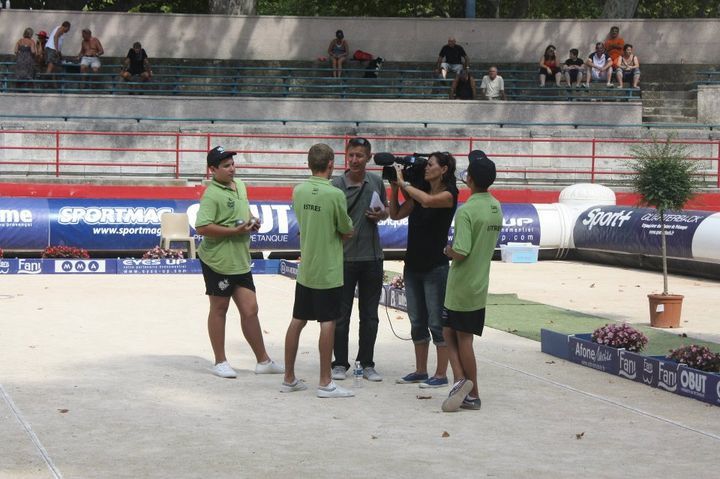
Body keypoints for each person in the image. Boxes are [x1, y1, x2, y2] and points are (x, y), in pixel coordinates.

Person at [195, 146, 284, 379]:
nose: (232, 169)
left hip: (240, 260)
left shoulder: (241, 185)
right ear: (213, 170)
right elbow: (202, 227)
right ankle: (220, 361)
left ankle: (263, 360)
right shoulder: (211, 194)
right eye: (226, 166)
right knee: (219, 309)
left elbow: (243, 214)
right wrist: (234, 230)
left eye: (233, 164)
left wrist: (252, 222)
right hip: (217, 261)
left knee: (251, 309)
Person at [282, 144, 355, 398]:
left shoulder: (298, 190)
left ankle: (289, 377)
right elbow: (346, 229)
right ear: (332, 164)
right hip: (329, 269)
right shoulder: (335, 194)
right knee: (328, 323)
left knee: (297, 320)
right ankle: (325, 381)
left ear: (309, 163)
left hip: (307, 267)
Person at [440, 150, 502, 413]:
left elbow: (461, 250)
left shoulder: (467, 211)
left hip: (461, 283)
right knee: (463, 337)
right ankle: (464, 385)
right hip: (480, 282)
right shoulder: (495, 206)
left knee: (453, 335)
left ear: (471, 180)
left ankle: (469, 388)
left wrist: (447, 250)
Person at [390, 152, 458, 389]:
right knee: (417, 320)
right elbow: (396, 214)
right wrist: (393, 187)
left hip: (435, 267)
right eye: (426, 165)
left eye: (430, 165)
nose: (426, 169)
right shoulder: (417, 194)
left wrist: (404, 184)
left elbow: (429, 201)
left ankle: (441, 374)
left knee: (436, 321)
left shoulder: (449, 194)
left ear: (444, 169)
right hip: (413, 265)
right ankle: (420, 370)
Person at [330, 138, 388, 383]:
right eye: (351, 155)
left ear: (369, 157)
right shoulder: (335, 185)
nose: (354, 160)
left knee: (370, 315)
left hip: (372, 258)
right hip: (343, 258)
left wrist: (380, 214)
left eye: (359, 156)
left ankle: (367, 363)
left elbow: (385, 211)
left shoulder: (376, 182)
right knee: (341, 316)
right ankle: (340, 363)